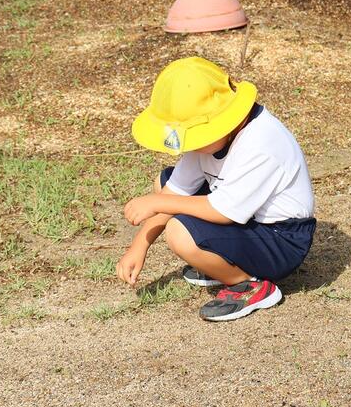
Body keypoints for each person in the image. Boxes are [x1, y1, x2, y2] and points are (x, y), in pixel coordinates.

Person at [116, 56, 316, 321]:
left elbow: (222, 211)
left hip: (281, 239)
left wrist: (157, 203)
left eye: (194, 136)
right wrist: (139, 245)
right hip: (247, 220)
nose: (190, 145)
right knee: (164, 183)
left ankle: (248, 283)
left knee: (179, 232)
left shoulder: (262, 143)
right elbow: (176, 190)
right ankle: (221, 262)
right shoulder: (213, 138)